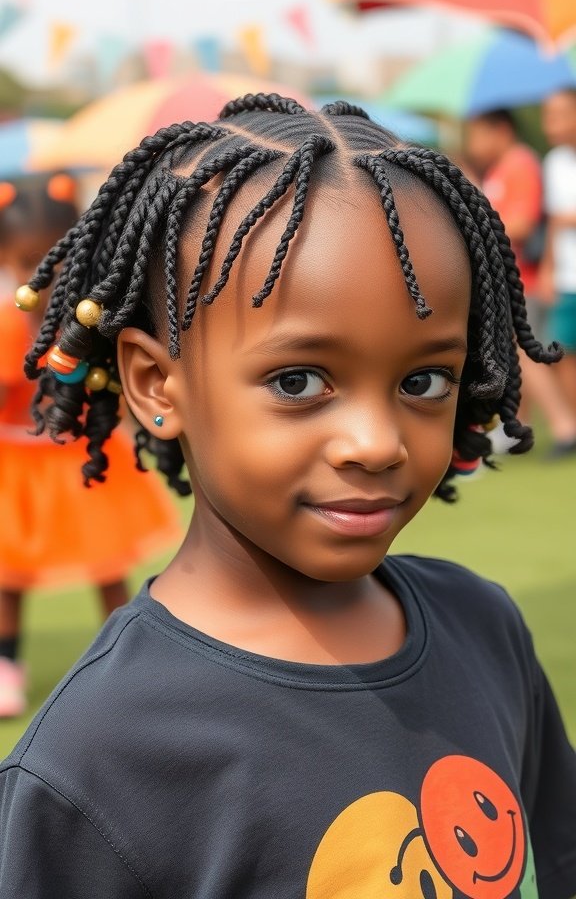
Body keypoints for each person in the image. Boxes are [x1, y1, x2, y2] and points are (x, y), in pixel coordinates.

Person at [0, 97, 574, 898]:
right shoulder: (95, 757)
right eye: (298, 381)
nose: (376, 442)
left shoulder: (487, 632)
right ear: (155, 383)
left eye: (423, 380)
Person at [0, 173, 182, 718]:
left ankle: (129, 658)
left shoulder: (88, 318)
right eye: (29, 261)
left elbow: (114, 384)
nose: (44, 277)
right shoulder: (9, 326)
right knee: (8, 575)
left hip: (80, 458)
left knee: (107, 563)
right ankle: (6, 666)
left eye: (54, 265)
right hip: (18, 466)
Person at [465, 109, 576, 457]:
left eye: (478, 133)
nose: (474, 143)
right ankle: (517, 427)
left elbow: (523, 223)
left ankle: (563, 427)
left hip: (523, 280)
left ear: (501, 130)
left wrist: (480, 234)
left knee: (528, 355)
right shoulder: (501, 168)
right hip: (509, 280)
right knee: (518, 357)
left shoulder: (520, 163)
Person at [540, 89, 576, 434]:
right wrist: (549, 268)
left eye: (560, 113)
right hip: (567, 276)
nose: (551, 124)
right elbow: (553, 220)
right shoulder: (553, 162)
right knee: (563, 351)